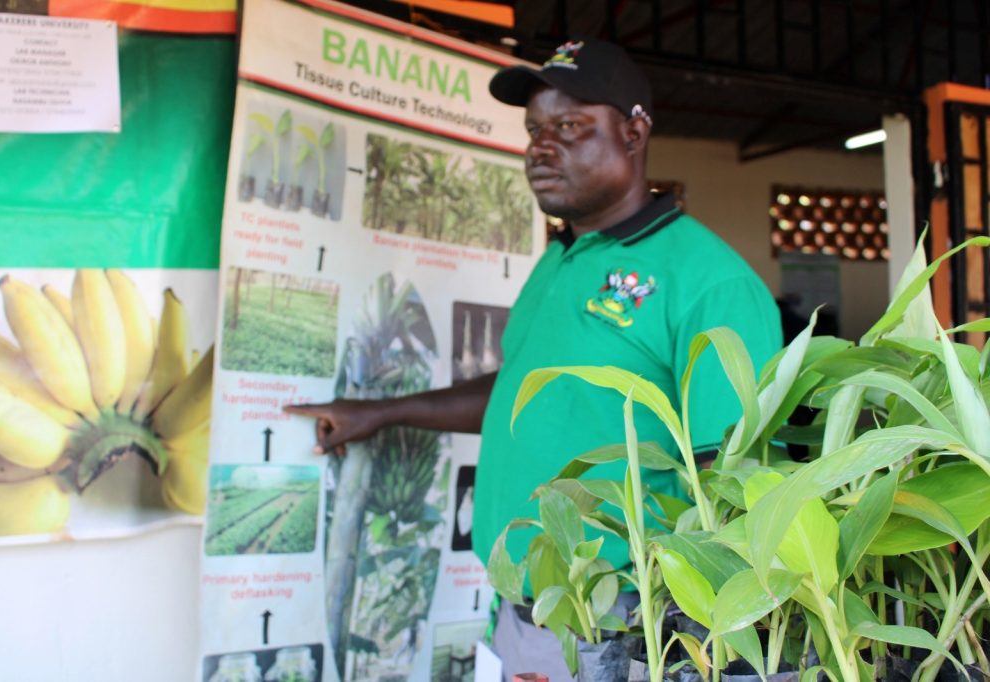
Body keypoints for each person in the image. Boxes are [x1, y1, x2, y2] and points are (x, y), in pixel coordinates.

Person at [286, 38, 782, 681]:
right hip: (524, 612)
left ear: (634, 133)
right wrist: (381, 413)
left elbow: (738, 478)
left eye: (571, 127)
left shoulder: (709, 283)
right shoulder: (560, 261)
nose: (541, 147)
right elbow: (523, 390)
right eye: (534, 129)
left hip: (627, 626)